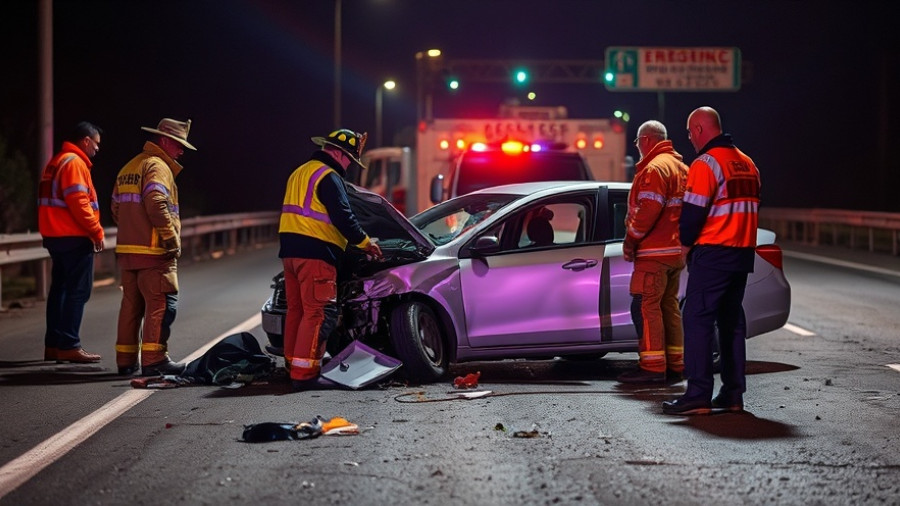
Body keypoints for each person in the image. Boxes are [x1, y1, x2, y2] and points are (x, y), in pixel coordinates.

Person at [662, 106, 761, 415]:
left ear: (701, 129)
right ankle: (733, 394)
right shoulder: (747, 163)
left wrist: (685, 245)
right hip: (741, 253)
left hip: (714, 251)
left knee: (697, 321)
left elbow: (693, 213)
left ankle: (698, 394)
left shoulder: (706, 163)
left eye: (691, 132)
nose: (690, 138)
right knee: (731, 324)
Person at [279, 129, 383, 391]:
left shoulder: (299, 172)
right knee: (317, 313)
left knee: (298, 312)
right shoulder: (329, 176)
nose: (349, 165)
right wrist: (365, 243)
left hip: (290, 254)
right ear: (338, 153)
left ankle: (293, 365)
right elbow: (343, 216)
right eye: (349, 159)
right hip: (317, 255)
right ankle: (304, 376)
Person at [111, 118, 196, 377]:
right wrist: (170, 238)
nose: (181, 151)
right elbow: (157, 202)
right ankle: (154, 359)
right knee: (162, 303)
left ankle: (125, 360)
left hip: (128, 251)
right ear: (164, 141)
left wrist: (133, 230)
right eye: (178, 145)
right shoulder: (158, 166)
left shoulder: (130, 166)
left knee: (130, 306)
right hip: (154, 252)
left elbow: (116, 207)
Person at [617, 120, 689, 384]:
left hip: (653, 254)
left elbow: (647, 210)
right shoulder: (682, 169)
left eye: (637, 143)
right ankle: (675, 365)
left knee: (647, 307)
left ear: (646, 140)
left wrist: (630, 241)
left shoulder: (654, 168)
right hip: (675, 254)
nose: (638, 148)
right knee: (669, 307)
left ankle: (652, 368)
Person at [37, 121, 105, 363]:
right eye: (96, 144)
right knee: (78, 291)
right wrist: (96, 231)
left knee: (60, 290)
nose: (97, 149)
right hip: (73, 236)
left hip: (55, 236)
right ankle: (69, 344)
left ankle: (54, 345)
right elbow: (79, 202)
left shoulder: (57, 161)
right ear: (86, 141)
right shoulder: (75, 163)